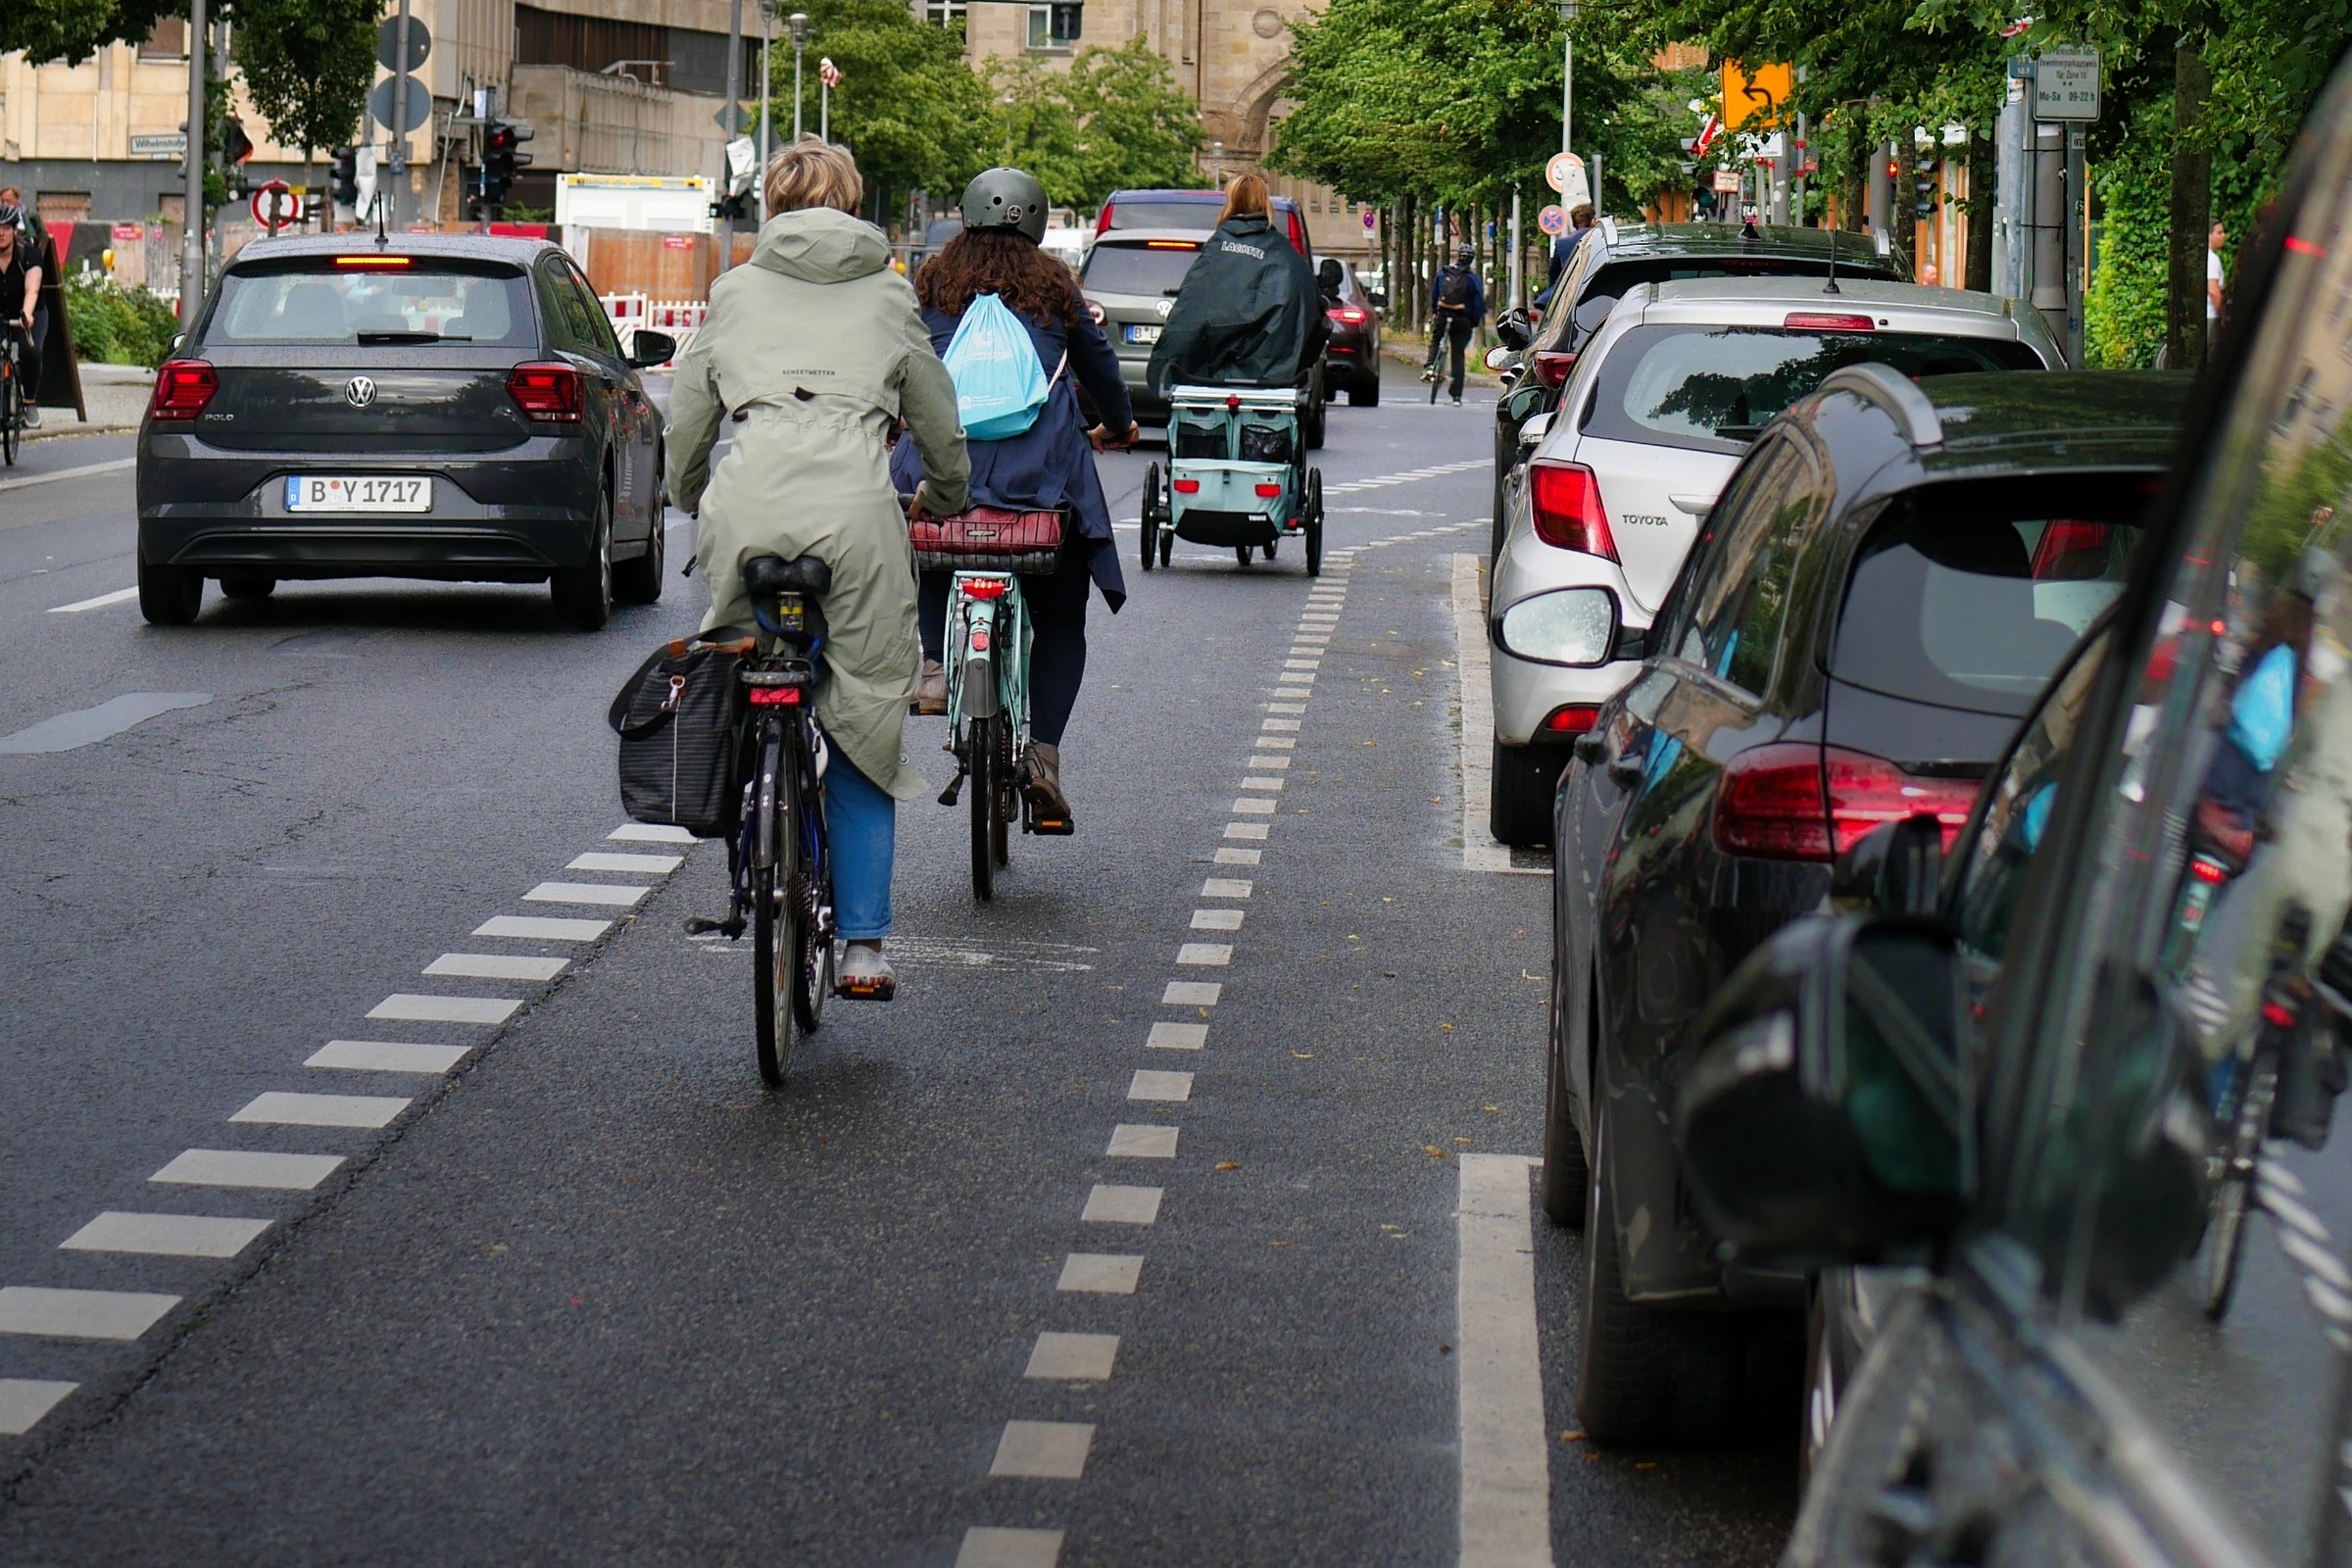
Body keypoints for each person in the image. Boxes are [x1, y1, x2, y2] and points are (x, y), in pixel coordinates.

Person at [665, 137, 969, 1001]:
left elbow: (689, 417)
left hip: (748, 511)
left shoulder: (733, 291)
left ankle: (754, 816)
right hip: (858, 519)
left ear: (772, 206)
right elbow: (936, 416)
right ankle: (864, 948)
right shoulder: (889, 292)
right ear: (854, 205)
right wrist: (944, 495)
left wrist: (690, 494)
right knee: (864, 721)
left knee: (739, 672)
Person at [893, 168, 1138, 835]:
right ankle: (1045, 758)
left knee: (931, 540)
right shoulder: (1054, 286)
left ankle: (935, 665)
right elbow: (1099, 368)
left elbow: (901, 366)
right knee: (1060, 617)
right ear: (1037, 221)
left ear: (966, 214)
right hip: (1039, 484)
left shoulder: (932, 284)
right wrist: (1117, 424)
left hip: (945, 472)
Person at [1145, 172, 1327, 401]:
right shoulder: (1286, 257)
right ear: (1265, 203)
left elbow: (1189, 316)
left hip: (1211, 381)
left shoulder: (1217, 251)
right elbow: (1309, 316)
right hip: (1272, 383)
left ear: (1230, 203)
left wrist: (1163, 368)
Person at [1427, 241, 1487, 405]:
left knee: (1436, 339)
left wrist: (1435, 312)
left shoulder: (1443, 273)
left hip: (1443, 315)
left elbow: (1435, 294)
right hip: (1462, 320)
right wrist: (1472, 322)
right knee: (1458, 355)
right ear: (1471, 260)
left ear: (1457, 256)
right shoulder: (1473, 278)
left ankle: (1430, 366)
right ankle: (1456, 395)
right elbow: (1478, 303)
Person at [0, 208, 43, 430]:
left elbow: (32, 289)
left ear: (14, 231)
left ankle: (29, 401)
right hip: (2, 311)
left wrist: (26, 313)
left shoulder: (29, 253)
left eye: (6, 228)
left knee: (30, 350)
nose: (1, 233)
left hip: (29, 311)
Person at [1535, 203, 1594, 312]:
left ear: (1573, 223)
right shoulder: (1601, 239)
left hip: (1569, 298)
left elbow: (1553, 275)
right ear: (1592, 221)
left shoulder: (1562, 243)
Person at [2208, 220, 2229, 342]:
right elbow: (2213, 290)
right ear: (2209, 236)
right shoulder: (2212, 259)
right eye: (2219, 233)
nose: (2223, 236)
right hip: (2211, 315)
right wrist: (2223, 314)